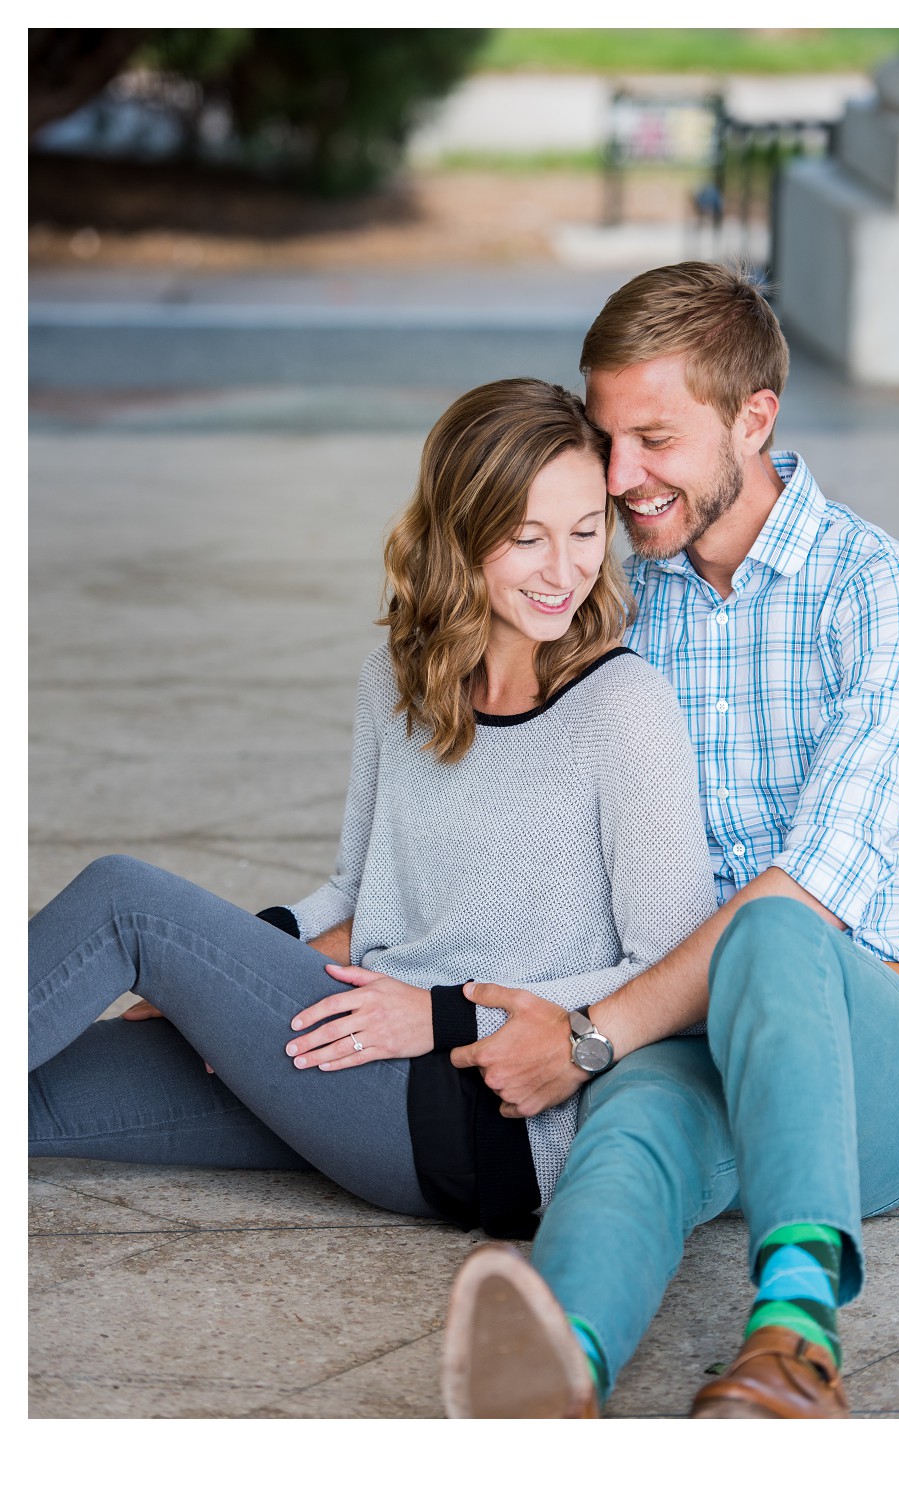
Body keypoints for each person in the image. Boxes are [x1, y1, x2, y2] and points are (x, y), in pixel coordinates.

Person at [437, 262, 899, 1420]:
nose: (620, 480)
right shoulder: (620, 601)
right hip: (686, 1028)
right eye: (606, 439)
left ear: (754, 418)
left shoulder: (884, 598)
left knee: (772, 921)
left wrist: (584, 1036)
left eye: (655, 440)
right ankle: (557, 1372)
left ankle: (793, 1342)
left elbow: (813, 892)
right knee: (634, 1131)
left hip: (885, 1050)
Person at [29, 378, 715, 1242]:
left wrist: (441, 1014)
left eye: (585, 533)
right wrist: (224, 978)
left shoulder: (625, 708)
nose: (565, 570)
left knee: (122, 902)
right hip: (350, 1056)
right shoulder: (396, 687)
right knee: (44, 1086)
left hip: (470, 1109)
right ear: (460, 536)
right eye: (525, 538)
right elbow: (356, 890)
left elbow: (668, 975)